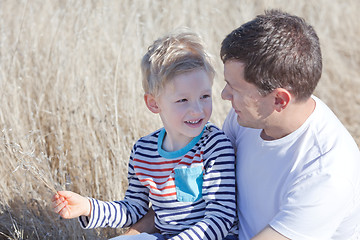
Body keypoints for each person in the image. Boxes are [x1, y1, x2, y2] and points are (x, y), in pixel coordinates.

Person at [126, 9, 360, 240]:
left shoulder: (327, 173)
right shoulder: (249, 117)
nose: (224, 95)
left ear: (279, 99)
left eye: (235, 88)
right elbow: (187, 204)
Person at [52, 30, 238, 240]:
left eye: (204, 96)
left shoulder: (214, 145)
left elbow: (221, 217)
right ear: (154, 103)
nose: (197, 109)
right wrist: (88, 207)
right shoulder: (144, 150)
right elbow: (133, 209)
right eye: (183, 100)